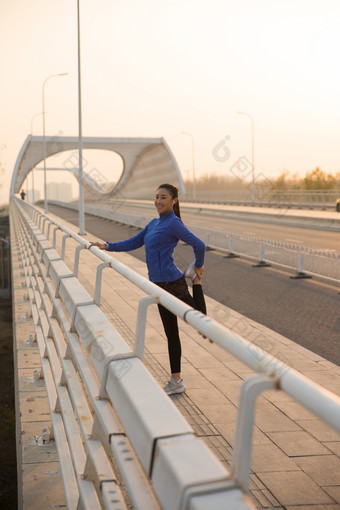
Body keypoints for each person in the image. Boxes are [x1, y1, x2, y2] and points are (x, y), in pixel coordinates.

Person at [88, 183, 207, 395]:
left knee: (201, 322)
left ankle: (196, 282)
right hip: (158, 286)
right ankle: (176, 381)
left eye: (163, 197)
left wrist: (198, 265)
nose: (158, 201)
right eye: (157, 197)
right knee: (171, 334)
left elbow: (199, 245)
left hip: (173, 283)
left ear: (173, 201)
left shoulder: (173, 223)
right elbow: (134, 242)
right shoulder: (154, 224)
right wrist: (107, 246)